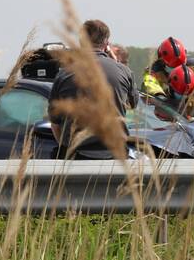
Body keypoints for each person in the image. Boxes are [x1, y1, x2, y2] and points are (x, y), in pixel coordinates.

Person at [48, 19, 138, 159]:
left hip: (76, 158)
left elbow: (55, 124)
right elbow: (133, 104)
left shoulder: (64, 74)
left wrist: (68, 147)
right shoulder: (123, 71)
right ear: (107, 43)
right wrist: (115, 61)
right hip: (116, 156)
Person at [141, 36, 194, 103]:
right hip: (166, 106)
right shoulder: (154, 71)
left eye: (182, 65)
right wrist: (160, 96)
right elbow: (150, 83)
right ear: (162, 61)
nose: (180, 70)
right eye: (174, 67)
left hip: (190, 105)